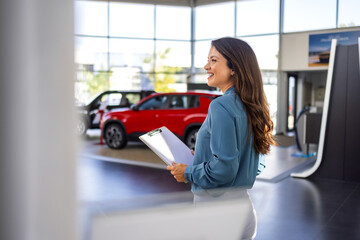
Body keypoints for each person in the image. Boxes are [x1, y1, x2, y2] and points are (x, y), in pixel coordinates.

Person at [166, 37, 276, 239]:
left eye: (213, 60)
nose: (206, 66)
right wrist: (201, 156)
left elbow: (224, 169)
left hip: (216, 212)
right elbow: (257, 164)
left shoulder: (220, 106)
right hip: (243, 209)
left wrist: (188, 172)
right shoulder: (253, 106)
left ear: (234, 68)